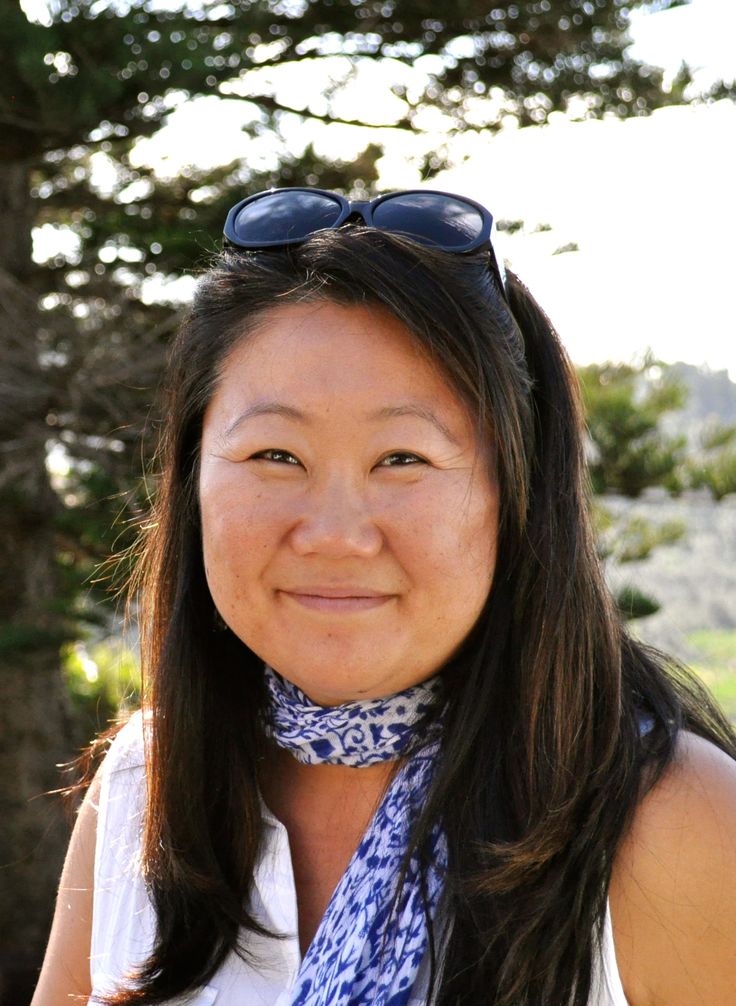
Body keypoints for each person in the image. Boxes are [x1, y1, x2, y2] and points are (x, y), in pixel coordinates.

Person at [33, 188, 736, 1006]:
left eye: (402, 458)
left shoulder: (671, 825)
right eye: (274, 454)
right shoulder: (143, 793)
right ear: (191, 479)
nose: (335, 534)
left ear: (518, 493)